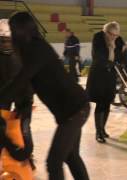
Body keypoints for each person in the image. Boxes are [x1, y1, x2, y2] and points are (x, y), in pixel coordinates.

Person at [0, 12, 90, 180]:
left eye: (13, 29)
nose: (10, 35)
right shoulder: (30, 49)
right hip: (71, 110)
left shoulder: (36, 48)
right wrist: (21, 103)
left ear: (21, 30)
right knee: (71, 156)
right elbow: (25, 84)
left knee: (53, 162)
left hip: (75, 109)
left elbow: (21, 80)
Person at [0, 18, 35, 169]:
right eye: (3, 39)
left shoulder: (22, 52)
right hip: (7, 96)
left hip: (21, 95)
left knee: (23, 127)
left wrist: (27, 102)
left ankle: (26, 156)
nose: (6, 43)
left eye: (8, 39)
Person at [86, 21, 121, 143]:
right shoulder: (98, 38)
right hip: (98, 74)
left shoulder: (118, 40)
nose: (114, 37)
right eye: (111, 34)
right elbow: (98, 55)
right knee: (100, 103)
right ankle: (98, 132)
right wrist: (108, 61)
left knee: (107, 102)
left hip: (110, 74)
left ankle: (103, 129)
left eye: (116, 35)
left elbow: (119, 56)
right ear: (106, 32)